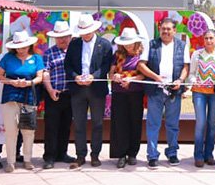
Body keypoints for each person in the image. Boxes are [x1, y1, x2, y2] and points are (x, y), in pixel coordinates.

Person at [138, 17, 189, 169]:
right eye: (163, 28)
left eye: (169, 29)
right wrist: (156, 77)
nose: (165, 31)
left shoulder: (182, 46)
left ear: (174, 30)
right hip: (155, 91)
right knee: (153, 124)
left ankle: (172, 153)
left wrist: (180, 80)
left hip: (174, 91)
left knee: (173, 125)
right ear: (159, 29)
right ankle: (152, 156)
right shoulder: (151, 44)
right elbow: (141, 65)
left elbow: (185, 67)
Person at [65, 14, 113, 169]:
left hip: (96, 89)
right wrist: (75, 76)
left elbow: (106, 65)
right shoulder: (74, 44)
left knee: (97, 123)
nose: (85, 34)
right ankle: (80, 155)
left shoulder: (104, 45)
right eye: (82, 31)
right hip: (78, 89)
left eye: (87, 31)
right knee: (79, 123)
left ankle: (95, 155)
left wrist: (94, 76)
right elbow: (68, 65)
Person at [0, 31, 44, 172]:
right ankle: (10, 161)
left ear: (29, 45)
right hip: (10, 96)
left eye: (24, 47)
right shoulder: (7, 58)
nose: (21, 50)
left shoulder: (36, 58)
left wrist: (28, 83)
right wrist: (12, 82)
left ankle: (27, 159)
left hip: (29, 95)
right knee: (11, 129)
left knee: (28, 130)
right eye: (18, 47)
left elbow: (40, 77)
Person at [188, 29, 215, 168]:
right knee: (201, 123)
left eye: (211, 38)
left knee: (212, 123)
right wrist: (194, 81)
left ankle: (208, 154)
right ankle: (198, 155)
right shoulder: (197, 55)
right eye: (206, 38)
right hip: (199, 93)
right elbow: (191, 73)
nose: (209, 41)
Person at [109, 28, 146, 169]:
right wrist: (115, 76)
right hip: (119, 93)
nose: (128, 46)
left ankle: (132, 154)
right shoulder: (117, 55)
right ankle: (121, 154)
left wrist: (131, 79)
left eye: (131, 43)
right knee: (120, 123)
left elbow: (144, 75)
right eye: (126, 43)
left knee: (135, 122)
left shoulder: (141, 55)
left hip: (136, 92)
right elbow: (110, 73)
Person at [41, 21, 76, 169]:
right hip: (54, 94)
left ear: (69, 36)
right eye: (59, 37)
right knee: (51, 126)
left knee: (65, 126)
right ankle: (49, 156)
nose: (62, 39)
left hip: (70, 94)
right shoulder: (49, 53)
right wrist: (50, 90)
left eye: (65, 36)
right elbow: (45, 73)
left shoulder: (75, 51)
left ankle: (62, 153)